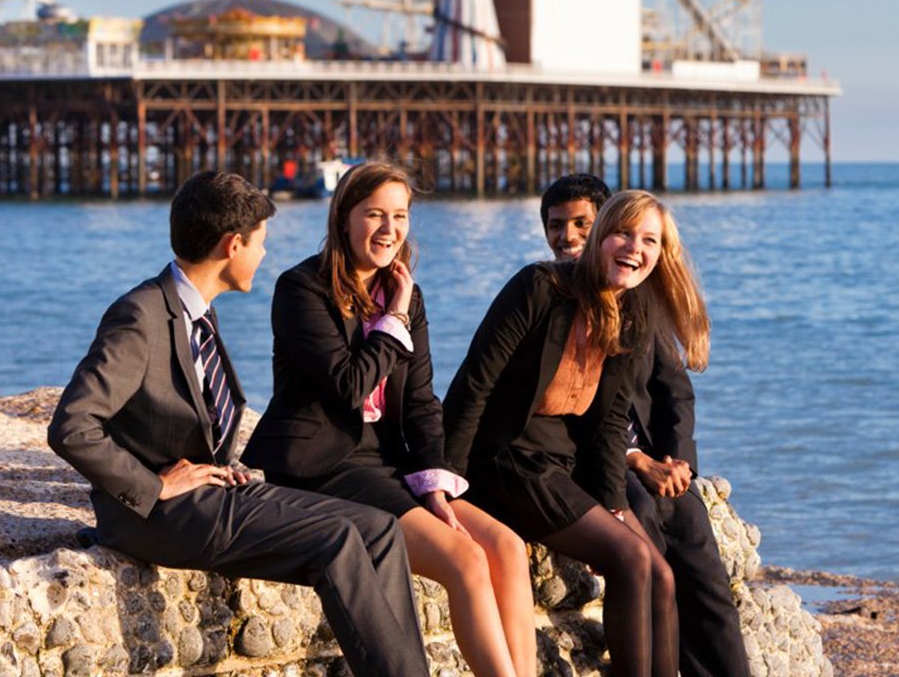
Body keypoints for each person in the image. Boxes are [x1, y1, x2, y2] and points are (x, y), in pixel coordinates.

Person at [47, 171, 430, 677]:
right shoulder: (141, 315)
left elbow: (193, 413)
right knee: (337, 539)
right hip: (157, 515)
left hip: (211, 490)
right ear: (233, 245)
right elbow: (72, 425)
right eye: (261, 244)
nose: (266, 255)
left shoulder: (195, 311)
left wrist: (223, 467)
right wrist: (152, 486)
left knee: (378, 530)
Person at [242, 162, 535, 677]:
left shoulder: (405, 294)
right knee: (465, 561)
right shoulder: (301, 289)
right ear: (343, 218)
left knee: (506, 547)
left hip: (386, 462)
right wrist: (394, 319)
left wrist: (434, 485)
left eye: (399, 216)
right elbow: (350, 385)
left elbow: (421, 402)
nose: (388, 229)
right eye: (374, 214)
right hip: (323, 465)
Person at [444, 189, 710, 677]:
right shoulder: (539, 287)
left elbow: (609, 425)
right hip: (504, 459)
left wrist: (614, 507)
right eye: (623, 233)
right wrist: (448, 483)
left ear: (661, 254)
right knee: (630, 558)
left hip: (558, 464)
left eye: (649, 239)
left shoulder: (632, 313)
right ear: (600, 238)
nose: (635, 247)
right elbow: (473, 384)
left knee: (663, 575)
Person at [540, 174, 749, 677]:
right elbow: (564, 411)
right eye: (555, 226)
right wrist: (636, 462)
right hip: (594, 465)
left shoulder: (640, 301)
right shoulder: (548, 296)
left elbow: (674, 391)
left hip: (654, 460)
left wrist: (680, 463)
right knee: (647, 547)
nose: (568, 237)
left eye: (581, 224)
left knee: (704, 566)